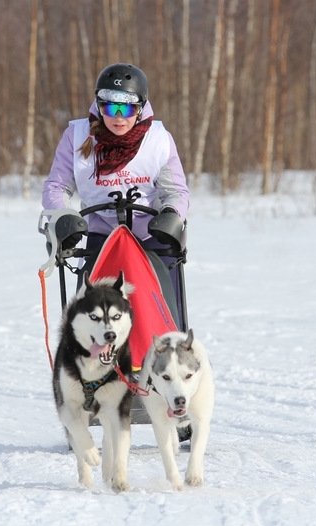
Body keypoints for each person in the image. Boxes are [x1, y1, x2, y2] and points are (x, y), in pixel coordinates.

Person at [42, 63, 189, 330]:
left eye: (128, 108)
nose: (118, 117)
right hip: (101, 239)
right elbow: (56, 187)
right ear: (99, 106)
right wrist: (64, 216)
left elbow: (175, 191)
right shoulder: (77, 137)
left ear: (141, 108)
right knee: (91, 318)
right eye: (110, 107)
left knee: (163, 315)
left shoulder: (158, 140)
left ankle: (170, 357)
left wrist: (171, 214)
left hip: (151, 238)